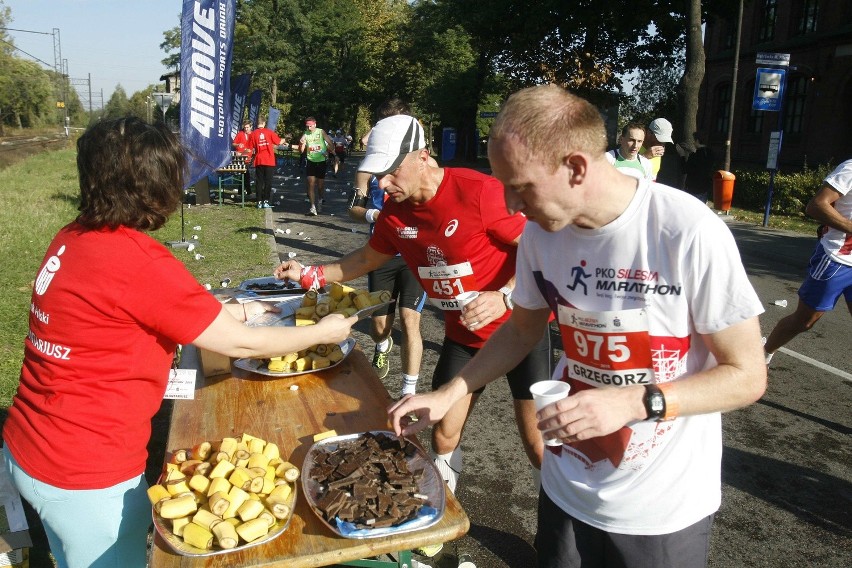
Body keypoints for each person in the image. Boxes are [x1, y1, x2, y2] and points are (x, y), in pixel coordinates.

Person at [388, 85, 767, 568]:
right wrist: (448, 393)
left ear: (576, 167)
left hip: (658, 510)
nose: (509, 204)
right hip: (568, 489)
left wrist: (636, 401)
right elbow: (521, 330)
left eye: (521, 186)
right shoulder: (542, 238)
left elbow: (747, 375)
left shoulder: (685, 229)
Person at [1, 117, 356, 568]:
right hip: (85, 471)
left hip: (31, 444)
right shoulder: (139, 262)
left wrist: (245, 309)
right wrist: (324, 332)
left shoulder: (75, 236)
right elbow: (240, 347)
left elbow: (146, 313)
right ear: (155, 186)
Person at [275, 114, 552, 498]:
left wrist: (506, 293)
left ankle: (561, 528)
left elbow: (547, 246)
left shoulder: (479, 192)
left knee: (538, 447)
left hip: (520, 334)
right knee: (442, 431)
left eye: (391, 172)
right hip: (464, 337)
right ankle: (443, 512)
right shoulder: (394, 213)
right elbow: (363, 261)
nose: (383, 185)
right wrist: (309, 274)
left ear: (423, 156)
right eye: (378, 175)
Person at [349, 98, 428, 397]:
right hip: (380, 253)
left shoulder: (421, 163)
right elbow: (353, 208)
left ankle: (409, 391)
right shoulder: (367, 168)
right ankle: (382, 346)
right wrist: (373, 214)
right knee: (380, 325)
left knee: (411, 321)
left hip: (413, 256)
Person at [764, 159, 852, 365]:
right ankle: (764, 354)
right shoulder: (850, 169)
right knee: (805, 321)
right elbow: (816, 205)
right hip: (835, 259)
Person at [298, 117, 336, 215]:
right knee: (310, 183)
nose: (309, 128)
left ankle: (320, 200)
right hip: (311, 161)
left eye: (310, 126)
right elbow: (301, 151)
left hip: (321, 161)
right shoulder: (305, 134)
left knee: (320, 185)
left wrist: (329, 152)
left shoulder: (321, 132)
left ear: (315, 124)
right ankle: (312, 207)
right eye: (307, 126)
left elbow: (331, 144)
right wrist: (301, 143)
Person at [248, 117, 286, 209]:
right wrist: (284, 139)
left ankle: (259, 202)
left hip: (259, 160)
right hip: (269, 160)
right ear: (264, 123)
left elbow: (250, 147)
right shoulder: (269, 132)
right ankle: (265, 201)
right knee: (268, 181)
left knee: (259, 181)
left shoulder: (253, 134)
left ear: (257, 124)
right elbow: (278, 142)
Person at [682, 131, 716, 202]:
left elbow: (684, 169)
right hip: (704, 187)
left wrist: (682, 156)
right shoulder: (711, 154)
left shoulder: (694, 156)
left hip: (693, 187)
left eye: (694, 141)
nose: (694, 143)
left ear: (697, 141)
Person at [640, 117, 673, 181]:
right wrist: (644, 157)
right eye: (659, 140)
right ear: (649, 133)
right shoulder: (635, 146)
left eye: (664, 141)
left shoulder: (658, 150)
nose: (662, 144)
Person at [232, 120, 254, 191]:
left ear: (251, 127)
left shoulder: (253, 134)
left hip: (249, 157)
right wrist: (238, 144)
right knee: (245, 173)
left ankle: (241, 190)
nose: (246, 129)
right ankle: (247, 190)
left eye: (247, 127)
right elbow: (233, 143)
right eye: (245, 127)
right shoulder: (240, 134)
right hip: (241, 157)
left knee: (244, 173)